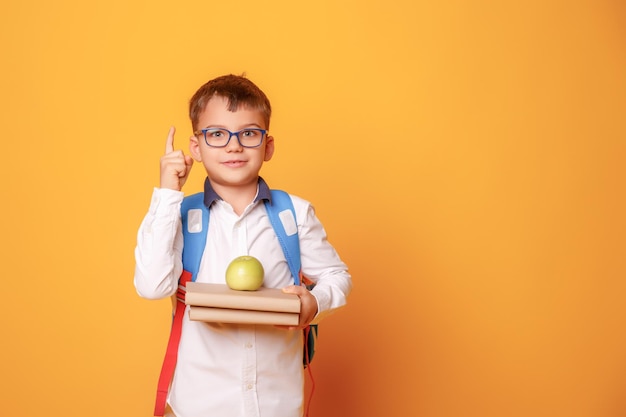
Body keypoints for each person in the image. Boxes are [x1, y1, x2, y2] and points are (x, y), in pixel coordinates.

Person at [134, 74, 352, 417]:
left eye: (248, 133)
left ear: (267, 146)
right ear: (196, 148)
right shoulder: (179, 213)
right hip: (197, 407)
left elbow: (336, 276)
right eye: (217, 134)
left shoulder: (293, 214)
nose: (233, 146)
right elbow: (151, 286)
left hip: (276, 406)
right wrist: (167, 194)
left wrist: (315, 301)